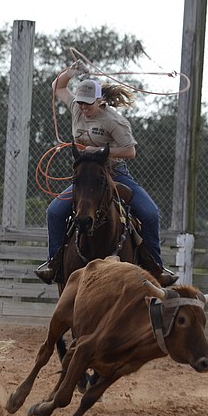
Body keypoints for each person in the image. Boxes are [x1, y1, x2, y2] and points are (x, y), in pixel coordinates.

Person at [34, 63, 178, 287]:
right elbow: (58, 86)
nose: (83, 108)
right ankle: (54, 263)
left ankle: (156, 268)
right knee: (54, 211)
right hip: (86, 175)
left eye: (88, 104)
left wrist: (102, 152)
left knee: (149, 214)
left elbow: (130, 151)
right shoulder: (76, 107)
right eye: (80, 103)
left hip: (115, 173)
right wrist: (73, 71)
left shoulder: (114, 121)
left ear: (99, 101)